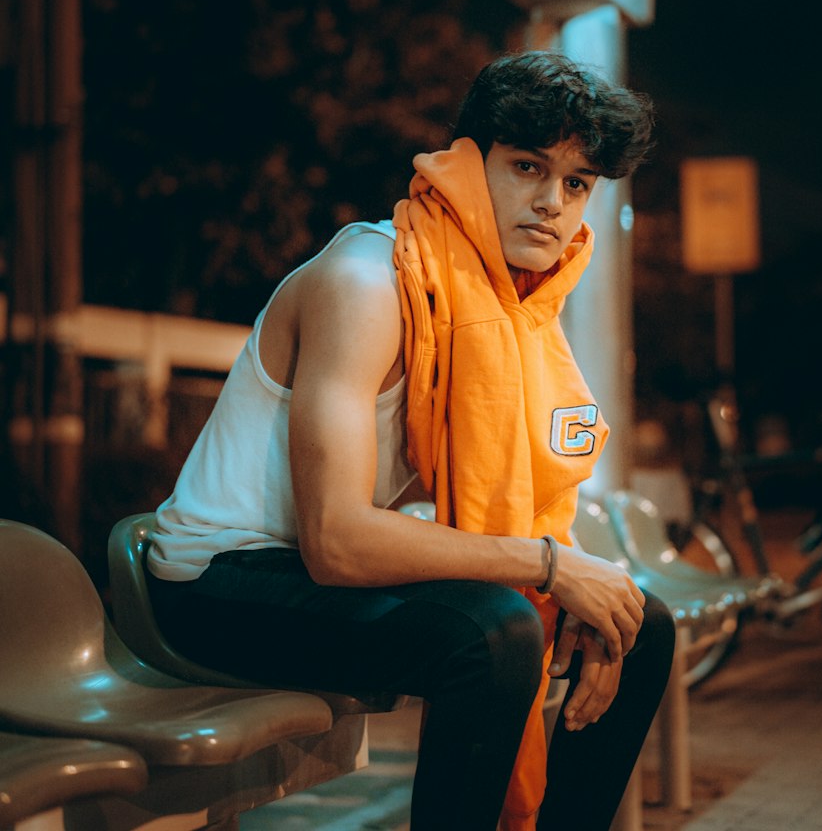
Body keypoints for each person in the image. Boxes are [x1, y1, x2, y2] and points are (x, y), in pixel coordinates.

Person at [146, 49, 674, 831]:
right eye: (528, 167)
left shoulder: (514, 307)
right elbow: (336, 541)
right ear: (467, 163)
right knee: (493, 634)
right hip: (216, 580)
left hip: (313, 577)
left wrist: (579, 588)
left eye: (576, 183)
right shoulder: (367, 282)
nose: (552, 204)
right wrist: (552, 567)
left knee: (638, 620)